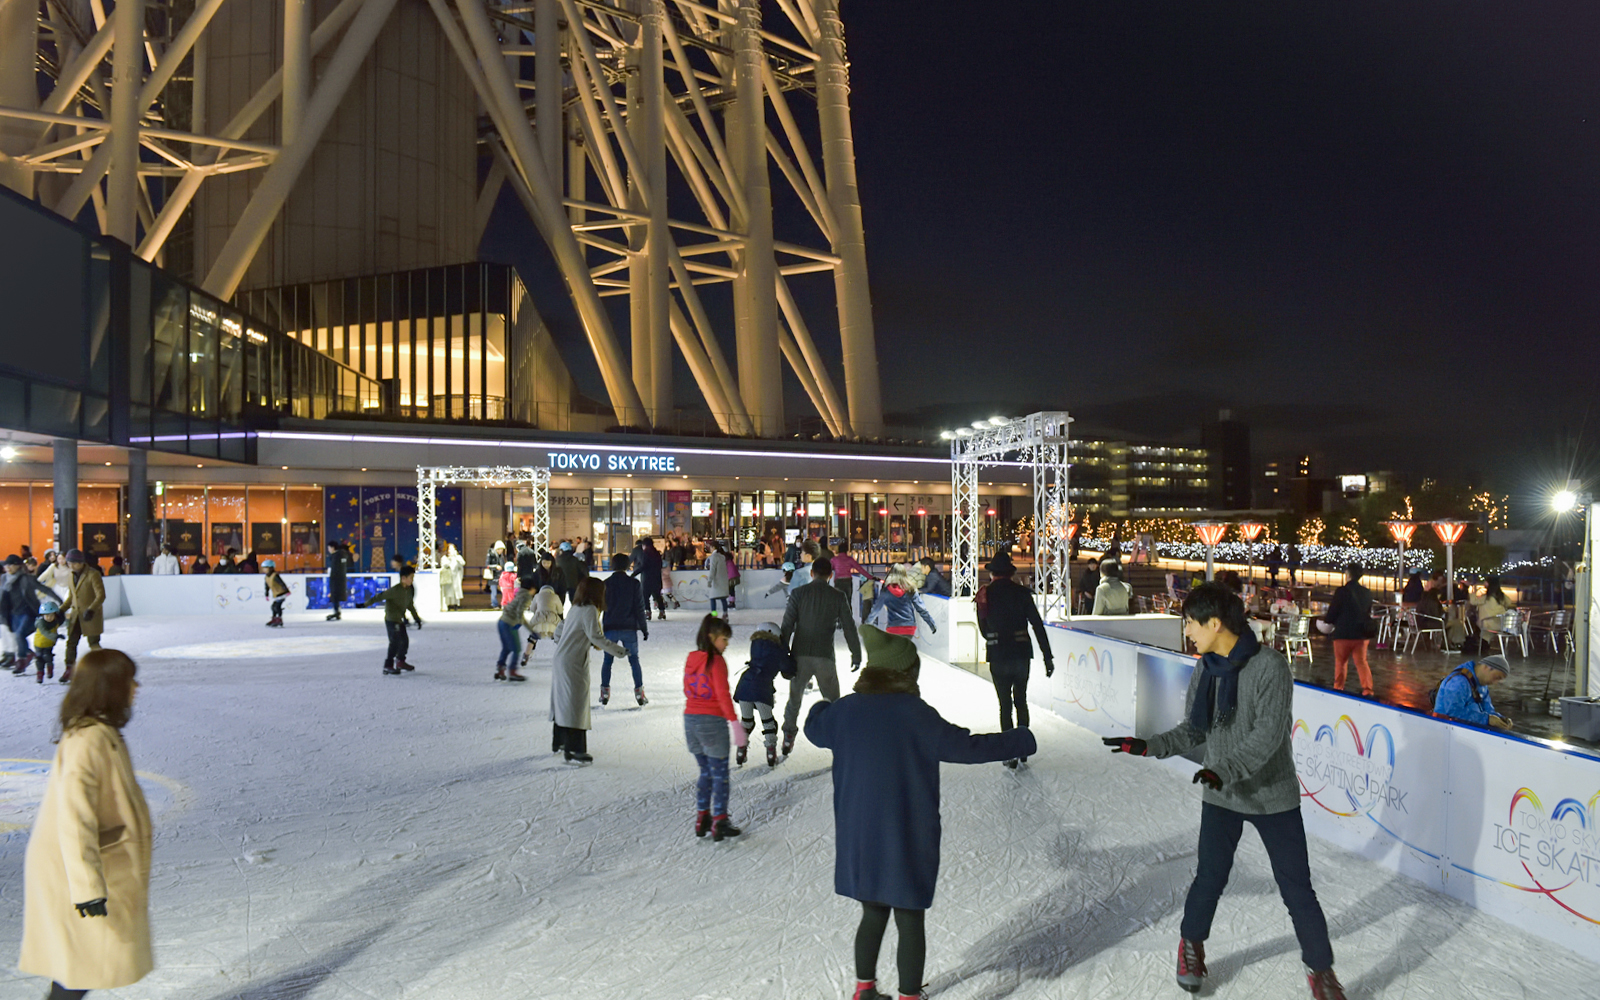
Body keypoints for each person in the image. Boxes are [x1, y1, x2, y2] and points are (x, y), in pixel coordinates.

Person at [1102, 582, 1344, 1000]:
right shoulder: (1205, 669)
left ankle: (1321, 971)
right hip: (1222, 794)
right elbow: (1194, 729)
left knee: (1297, 889)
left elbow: (1268, 735)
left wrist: (1224, 769)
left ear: (1215, 623)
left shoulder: (1270, 667)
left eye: (1191, 623)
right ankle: (1191, 945)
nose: (1188, 632)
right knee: (1209, 878)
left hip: (1272, 796)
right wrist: (1149, 745)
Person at [805, 625, 1036, 1000]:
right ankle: (909, 996)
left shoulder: (845, 712)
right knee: (909, 916)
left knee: (873, 912)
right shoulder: (915, 713)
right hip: (906, 833)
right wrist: (1020, 738)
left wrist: (820, 705)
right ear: (906, 672)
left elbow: (814, 727)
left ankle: (864, 990)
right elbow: (966, 747)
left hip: (859, 836)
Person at [20, 649, 152, 1000]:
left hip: (91, 863)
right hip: (74, 872)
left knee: (79, 964)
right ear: (109, 686)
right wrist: (86, 887)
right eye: (129, 680)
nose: (136, 687)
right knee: (82, 964)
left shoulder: (100, 731)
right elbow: (74, 817)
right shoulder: (87, 740)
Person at [778, 558, 862, 757]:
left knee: (794, 699)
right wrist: (856, 653)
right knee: (834, 702)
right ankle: (839, 739)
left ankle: (788, 736)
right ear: (831, 575)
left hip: (800, 656)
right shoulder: (838, 596)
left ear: (812, 573)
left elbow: (787, 625)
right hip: (825, 656)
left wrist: (782, 654)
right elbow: (849, 627)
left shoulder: (798, 593)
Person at [978, 554, 1054, 766]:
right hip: (1021, 653)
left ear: (992, 573)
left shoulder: (985, 595)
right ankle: (1023, 750)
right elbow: (1038, 626)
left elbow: (983, 630)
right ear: (1011, 573)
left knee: (1005, 704)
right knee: (1021, 700)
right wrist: (1047, 657)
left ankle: (1009, 753)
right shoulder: (1022, 594)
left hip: (998, 654)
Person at [550, 577, 626, 763]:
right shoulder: (590, 609)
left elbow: (559, 630)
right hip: (573, 662)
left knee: (563, 700)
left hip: (562, 659)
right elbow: (595, 636)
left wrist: (569, 642)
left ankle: (559, 741)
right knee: (576, 704)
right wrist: (619, 651)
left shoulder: (576, 608)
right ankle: (575, 750)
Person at [684, 614, 745, 841]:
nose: (726, 644)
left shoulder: (692, 658)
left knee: (705, 772)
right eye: (723, 639)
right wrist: (734, 722)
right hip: (711, 722)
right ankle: (719, 820)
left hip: (690, 721)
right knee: (720, 775)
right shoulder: (716, 661)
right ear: (711, 637)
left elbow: (688, 689)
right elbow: (722, 694)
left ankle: (702, 818)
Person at [734, 621, 794, 768]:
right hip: (762, 688)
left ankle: (741, 752)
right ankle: (771, 753)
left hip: (744, 686)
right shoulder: (778, 650)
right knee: (768, 722)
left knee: (746, 721)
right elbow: (788, 669)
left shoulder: (755, 644)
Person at [600, 553, 651, 707]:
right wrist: (644, 628)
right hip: (629, 627)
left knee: (608, 661)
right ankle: (639, 693)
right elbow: (639, 608)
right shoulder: (634, 584)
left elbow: (600, 607)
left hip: (610, 627)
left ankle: (605, 693)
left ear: (613, 565)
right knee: (634, 660)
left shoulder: (605, 584)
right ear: (628, 565)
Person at [1322, 565, 1375, 697]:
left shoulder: (1341, 591)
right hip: (1361, 635)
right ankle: (1367, 689)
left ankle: (1339, 687)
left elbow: (1333, 611)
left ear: (1348, 575)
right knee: (1362, 662)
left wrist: (1328, 620)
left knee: (1341, 662)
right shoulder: (1367, 593)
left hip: (1343, 633)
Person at [362, 565, 422, 676]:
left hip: (399, 620)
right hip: (391, 620)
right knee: (394, 642)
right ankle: (388, 665)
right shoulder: (394, 590)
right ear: (403, 578)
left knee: (404, 641)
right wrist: (364, 604)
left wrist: (416, 618)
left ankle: (400, 662)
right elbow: (379, 597)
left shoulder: (408, 590)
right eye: (411, 577)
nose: (412, 580)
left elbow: (410, 605)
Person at [2, 554, 56, 671]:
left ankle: (21, 660)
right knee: (17, 637)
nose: (8, 568)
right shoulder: (4, 579)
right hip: (13, 613)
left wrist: (59, 600)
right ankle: (28, 653)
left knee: (20, 634)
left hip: (27, 612)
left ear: (18, 566)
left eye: (11, 565)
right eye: (7, 565)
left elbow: (44, 588)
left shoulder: (26, 578)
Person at [58, 550, 105, 685]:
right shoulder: (70, 575)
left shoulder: (93, 574)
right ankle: (69, 669)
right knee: (71, 643)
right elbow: (72, 597)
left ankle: (103, 668)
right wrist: (61, 610)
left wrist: (91, 609)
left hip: (90, 616)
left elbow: (100, 595)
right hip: (76, 616)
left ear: (81, 562)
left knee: (94, 643)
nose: (71, 566)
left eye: (73, 563)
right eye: (69, 563)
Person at [1433, 654, 1513, 730]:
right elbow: (1453, 714)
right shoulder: (1458, 682)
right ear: (1486, 667)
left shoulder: (1481, 685)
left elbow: (1488, 709)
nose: (1495, 683)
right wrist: (1487, 719)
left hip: (1467, 729)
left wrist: (1500, 719)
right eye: (1496, 678)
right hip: (1445, 729)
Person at [866, 563, 938, 637]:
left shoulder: (886, 590)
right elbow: (921, 608)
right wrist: (931, 624)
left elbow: (876, 609)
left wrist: (867, 624)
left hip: (893, 628)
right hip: (909, 628)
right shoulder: (911, 589)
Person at [493, 576, 536, 682]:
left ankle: (501, 669)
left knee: (507, 648)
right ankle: (512, 672)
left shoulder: (520, 593)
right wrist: (529, 629)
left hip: (502, 622)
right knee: (516, 649)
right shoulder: (526, 597)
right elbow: (519, 613)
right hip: (509, 624)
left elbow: (518, 613)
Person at [1471, 574, 1515, 651]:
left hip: (1488, 624)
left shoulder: (1485, 598)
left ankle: (1481, 645)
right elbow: (1509, 602)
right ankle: (1484, 644)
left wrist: (1473, 591)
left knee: (1475, 623)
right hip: (1501, 624)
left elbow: (1473, 601)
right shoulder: (1501, 596)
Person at [631, 536, 667, 620]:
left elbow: (643, 566)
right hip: (657, 578)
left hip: (647, 579)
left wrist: (634, 574)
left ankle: (648, 612)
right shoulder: (657, 554)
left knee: (645, 596)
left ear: (645, 545)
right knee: (657, 595)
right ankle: (662, 611)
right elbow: (660, 565)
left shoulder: (645, 554)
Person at [831, 540, 876, 608]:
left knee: (838, 601)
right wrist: (871, 577)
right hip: (848, 581)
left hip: (838, 582)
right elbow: (860, 569)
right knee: (848, 601)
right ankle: (848, 616)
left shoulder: (834, 560)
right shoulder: (849, 559)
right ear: (846, 550)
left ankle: (839, 617)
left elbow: (830, 568)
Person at [28, 600, 65, 683]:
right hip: (39, 644)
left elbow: (61, 620)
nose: (49, 617)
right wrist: (56, 636)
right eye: (47, 615)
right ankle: (40, 674)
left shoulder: (55, 622)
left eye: (51, 615)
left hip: (48, 644)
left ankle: (50, 667)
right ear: (42, 615)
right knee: (39, 659)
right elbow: (45, 632)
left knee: (47, 657)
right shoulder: (40, 623)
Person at [555, 541, 587, 607]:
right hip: (573, 584)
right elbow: (583, 570)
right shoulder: (575, 560)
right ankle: (574, 615)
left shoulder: (558, 560)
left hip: (561, 583)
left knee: (560, 603)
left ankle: (560, 616)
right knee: (574, 602)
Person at [324, 543, 350, 621]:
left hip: (335, 580)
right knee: (336, 596)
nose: (328, 550)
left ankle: (336, 612)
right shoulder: (344, 555)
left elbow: (334, 569)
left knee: (335, 596)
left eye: (329, 548)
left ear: (333, 548)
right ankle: (337, 611)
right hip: (341, 579)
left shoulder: (335, 557)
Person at [706, 540, 730, 617]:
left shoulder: (713, 557)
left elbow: (712, 569)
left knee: (712, 598)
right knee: (723, 598)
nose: (709, 549)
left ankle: (714, 615)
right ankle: (725, 613)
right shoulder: (722, 557)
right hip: (723, 580)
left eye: (710, 547)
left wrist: (709, 580)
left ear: (713, 547)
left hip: (716, 581)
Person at [263, 559, 290, 628]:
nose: (264, 570)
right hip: (276, 594)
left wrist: (287, 591)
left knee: (276, 606)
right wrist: (266, 594)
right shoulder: (266, 577)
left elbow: (281, 583)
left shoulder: (275, 575)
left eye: (265, 568)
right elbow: (267, 586)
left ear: (270, 568)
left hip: (281, 593)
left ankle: (279, 619)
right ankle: (274, 618)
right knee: (273, 607)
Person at [439, 542, 465, 611]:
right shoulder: (444, 558)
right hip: (448, 578)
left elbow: (463, 563)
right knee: (448, 591)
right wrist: (449, 561)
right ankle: (448, 605)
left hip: (456, 577)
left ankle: (456, 604)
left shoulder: (458, 557)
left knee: (455, 591)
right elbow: (444, 565)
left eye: (452, 549)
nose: (450, 551)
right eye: (449, 549)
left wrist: (456, 557)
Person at [486, 539, 507, 608]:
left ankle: (502, 603)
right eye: (500, 549)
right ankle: (494, 604)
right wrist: (496, 567)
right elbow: (487, 565)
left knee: (502, 590)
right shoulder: (491, 555)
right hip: (494, 575)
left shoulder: (501, 556)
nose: (501, 551)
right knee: (494, 591)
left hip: (500, 575)